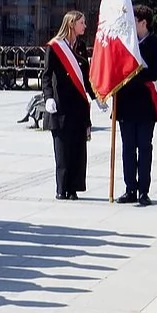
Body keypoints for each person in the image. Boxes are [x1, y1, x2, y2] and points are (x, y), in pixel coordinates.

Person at [43, 11, 105, 200]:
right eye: (82, 23)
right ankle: (61, 188)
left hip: (78, 105)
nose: (85, 26)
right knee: (62, 149)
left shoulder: (81, 46)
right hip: (60, 104)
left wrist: (96, 97)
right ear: (71, 24)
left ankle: (73, 188)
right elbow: (46, 75)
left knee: (78, 149)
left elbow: (85, 77)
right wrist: (48, 97)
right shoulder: (55, 46)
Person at [114, 5, 157, 206]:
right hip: (125, 105)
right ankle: (130, 188)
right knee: (128, 149)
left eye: (133, 20)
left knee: (145, 148)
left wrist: (129, 74)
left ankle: (143, 191)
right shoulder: (124, 42)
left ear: (143, 22)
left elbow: (153, 72)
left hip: (146, 105)